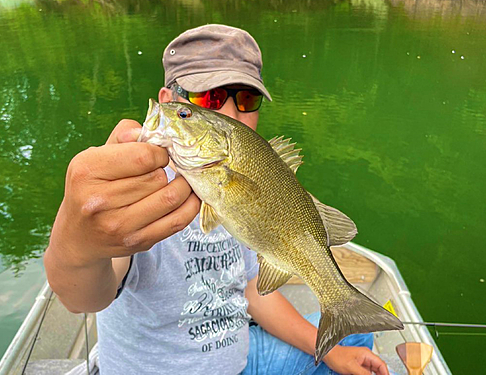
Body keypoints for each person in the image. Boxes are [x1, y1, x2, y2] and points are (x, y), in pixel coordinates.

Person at [44, 24, 390, 375]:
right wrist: (76, 245)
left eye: (246, 99)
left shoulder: (242, 187)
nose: (229, 113)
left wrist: (332, 353)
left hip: (238, 360)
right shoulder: (133, 196)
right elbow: (83, 298)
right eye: (206, 99)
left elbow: (253, 292)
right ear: (167, 101)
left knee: (355, 343)